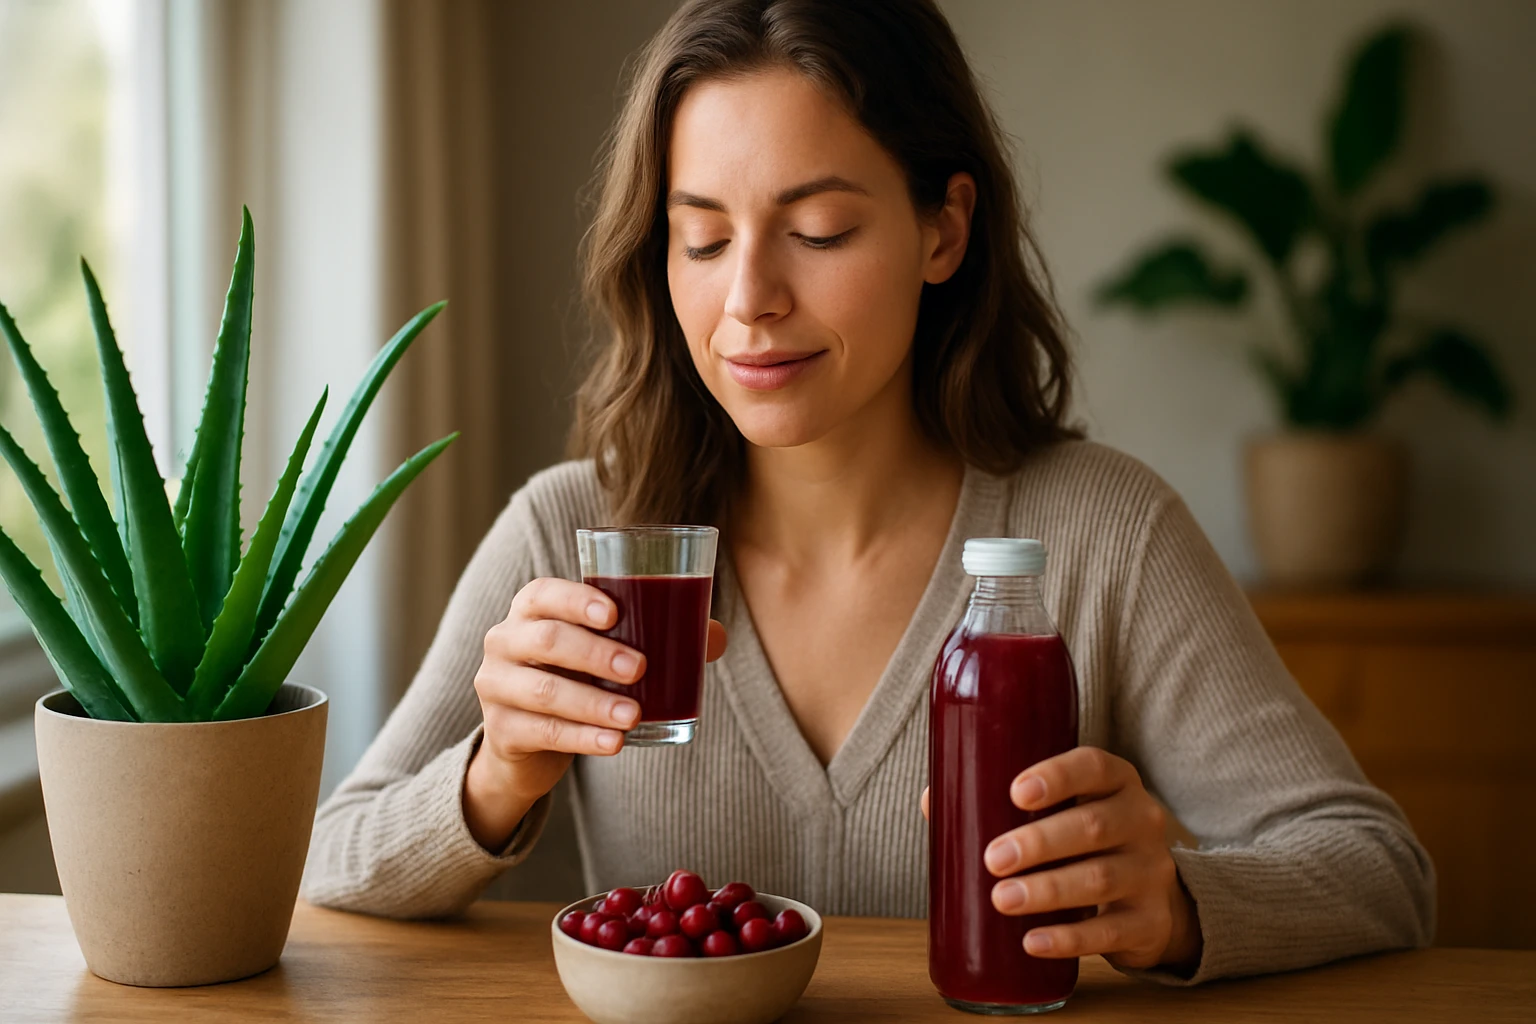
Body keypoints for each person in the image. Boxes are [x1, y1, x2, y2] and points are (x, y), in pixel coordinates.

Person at [302, 0, 1433, 983]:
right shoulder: (572, 534)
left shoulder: (1104, 535)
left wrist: (1176, 905)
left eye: (818, 230)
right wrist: (496, 774)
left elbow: (1378, 868)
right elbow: (330, 860)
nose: (749, 299)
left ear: (945, 228)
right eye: (702, 240)